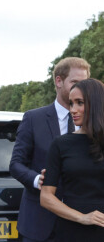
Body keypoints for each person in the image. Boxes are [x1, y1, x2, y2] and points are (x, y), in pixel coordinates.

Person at [9, 57, 90, 242]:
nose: (80, 88)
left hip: (81, 223)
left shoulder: (92, 124)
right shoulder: (33, 119)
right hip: (39, 224)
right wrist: (38, 180)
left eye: (84, 83)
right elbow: (16, 164)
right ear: (59, 81)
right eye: (75, 82)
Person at [40, 78, 104, 241]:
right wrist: (81, 217)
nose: (73, 110)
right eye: (71, 103)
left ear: (96, 104)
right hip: (71, 232)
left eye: (80, 103)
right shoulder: (61, 144)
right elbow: (46, 197)